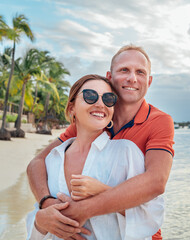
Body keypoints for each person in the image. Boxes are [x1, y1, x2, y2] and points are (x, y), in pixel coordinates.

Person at [27, 44, 175, 240]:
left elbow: (155, 182)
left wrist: (79, 211)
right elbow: (38, 162)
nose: (132, 78)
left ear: (149, 81)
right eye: (124, 70)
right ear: (109, 76)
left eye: (140, 72)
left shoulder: (158, 121)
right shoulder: (93, 119)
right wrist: (47, 205)